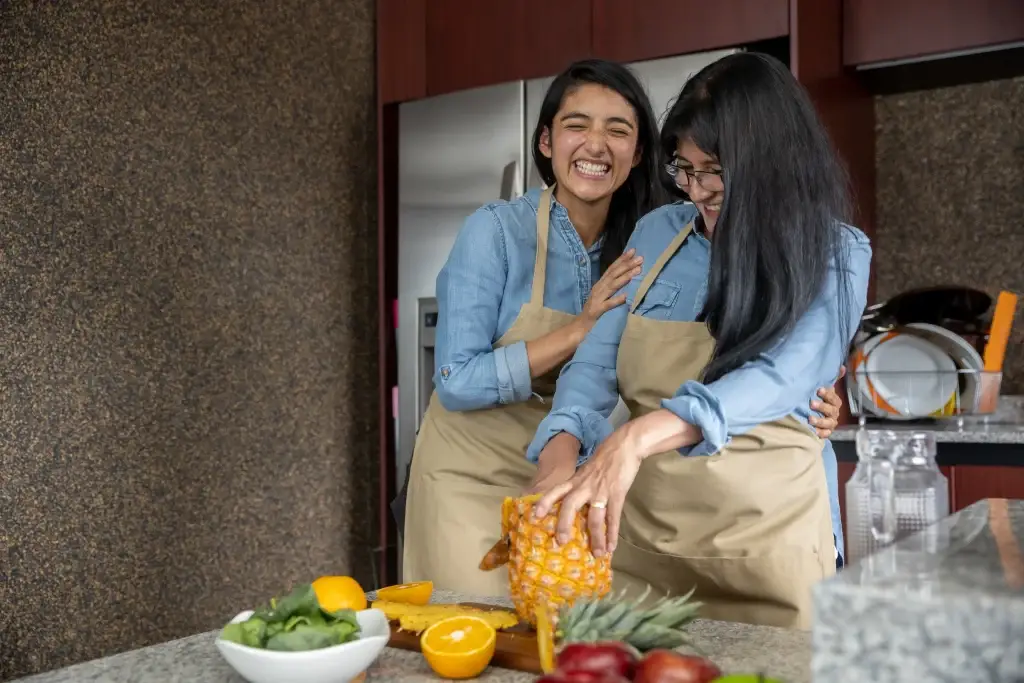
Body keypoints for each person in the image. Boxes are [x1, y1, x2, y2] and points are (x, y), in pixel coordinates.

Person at [400, 58, 846, 598]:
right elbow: (465, 380)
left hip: (609, 479)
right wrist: (577, 343)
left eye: (617, 130)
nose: (595, 144)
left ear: (638, 155)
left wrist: (806, 396)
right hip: (492, 472)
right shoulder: (506, 232)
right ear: (545, 142)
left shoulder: (655, 234)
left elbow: (778, 369)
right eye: (576, 125)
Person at [527, 51, 871, 629]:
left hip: (769, 555)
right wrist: (560, 452)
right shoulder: (655, 233)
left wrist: (635, 438)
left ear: (770, 161)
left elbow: (786, 374)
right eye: (684, 170)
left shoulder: (838, 252)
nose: (697, 190)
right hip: (643, 557)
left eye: (715, 170)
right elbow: (596, 362)